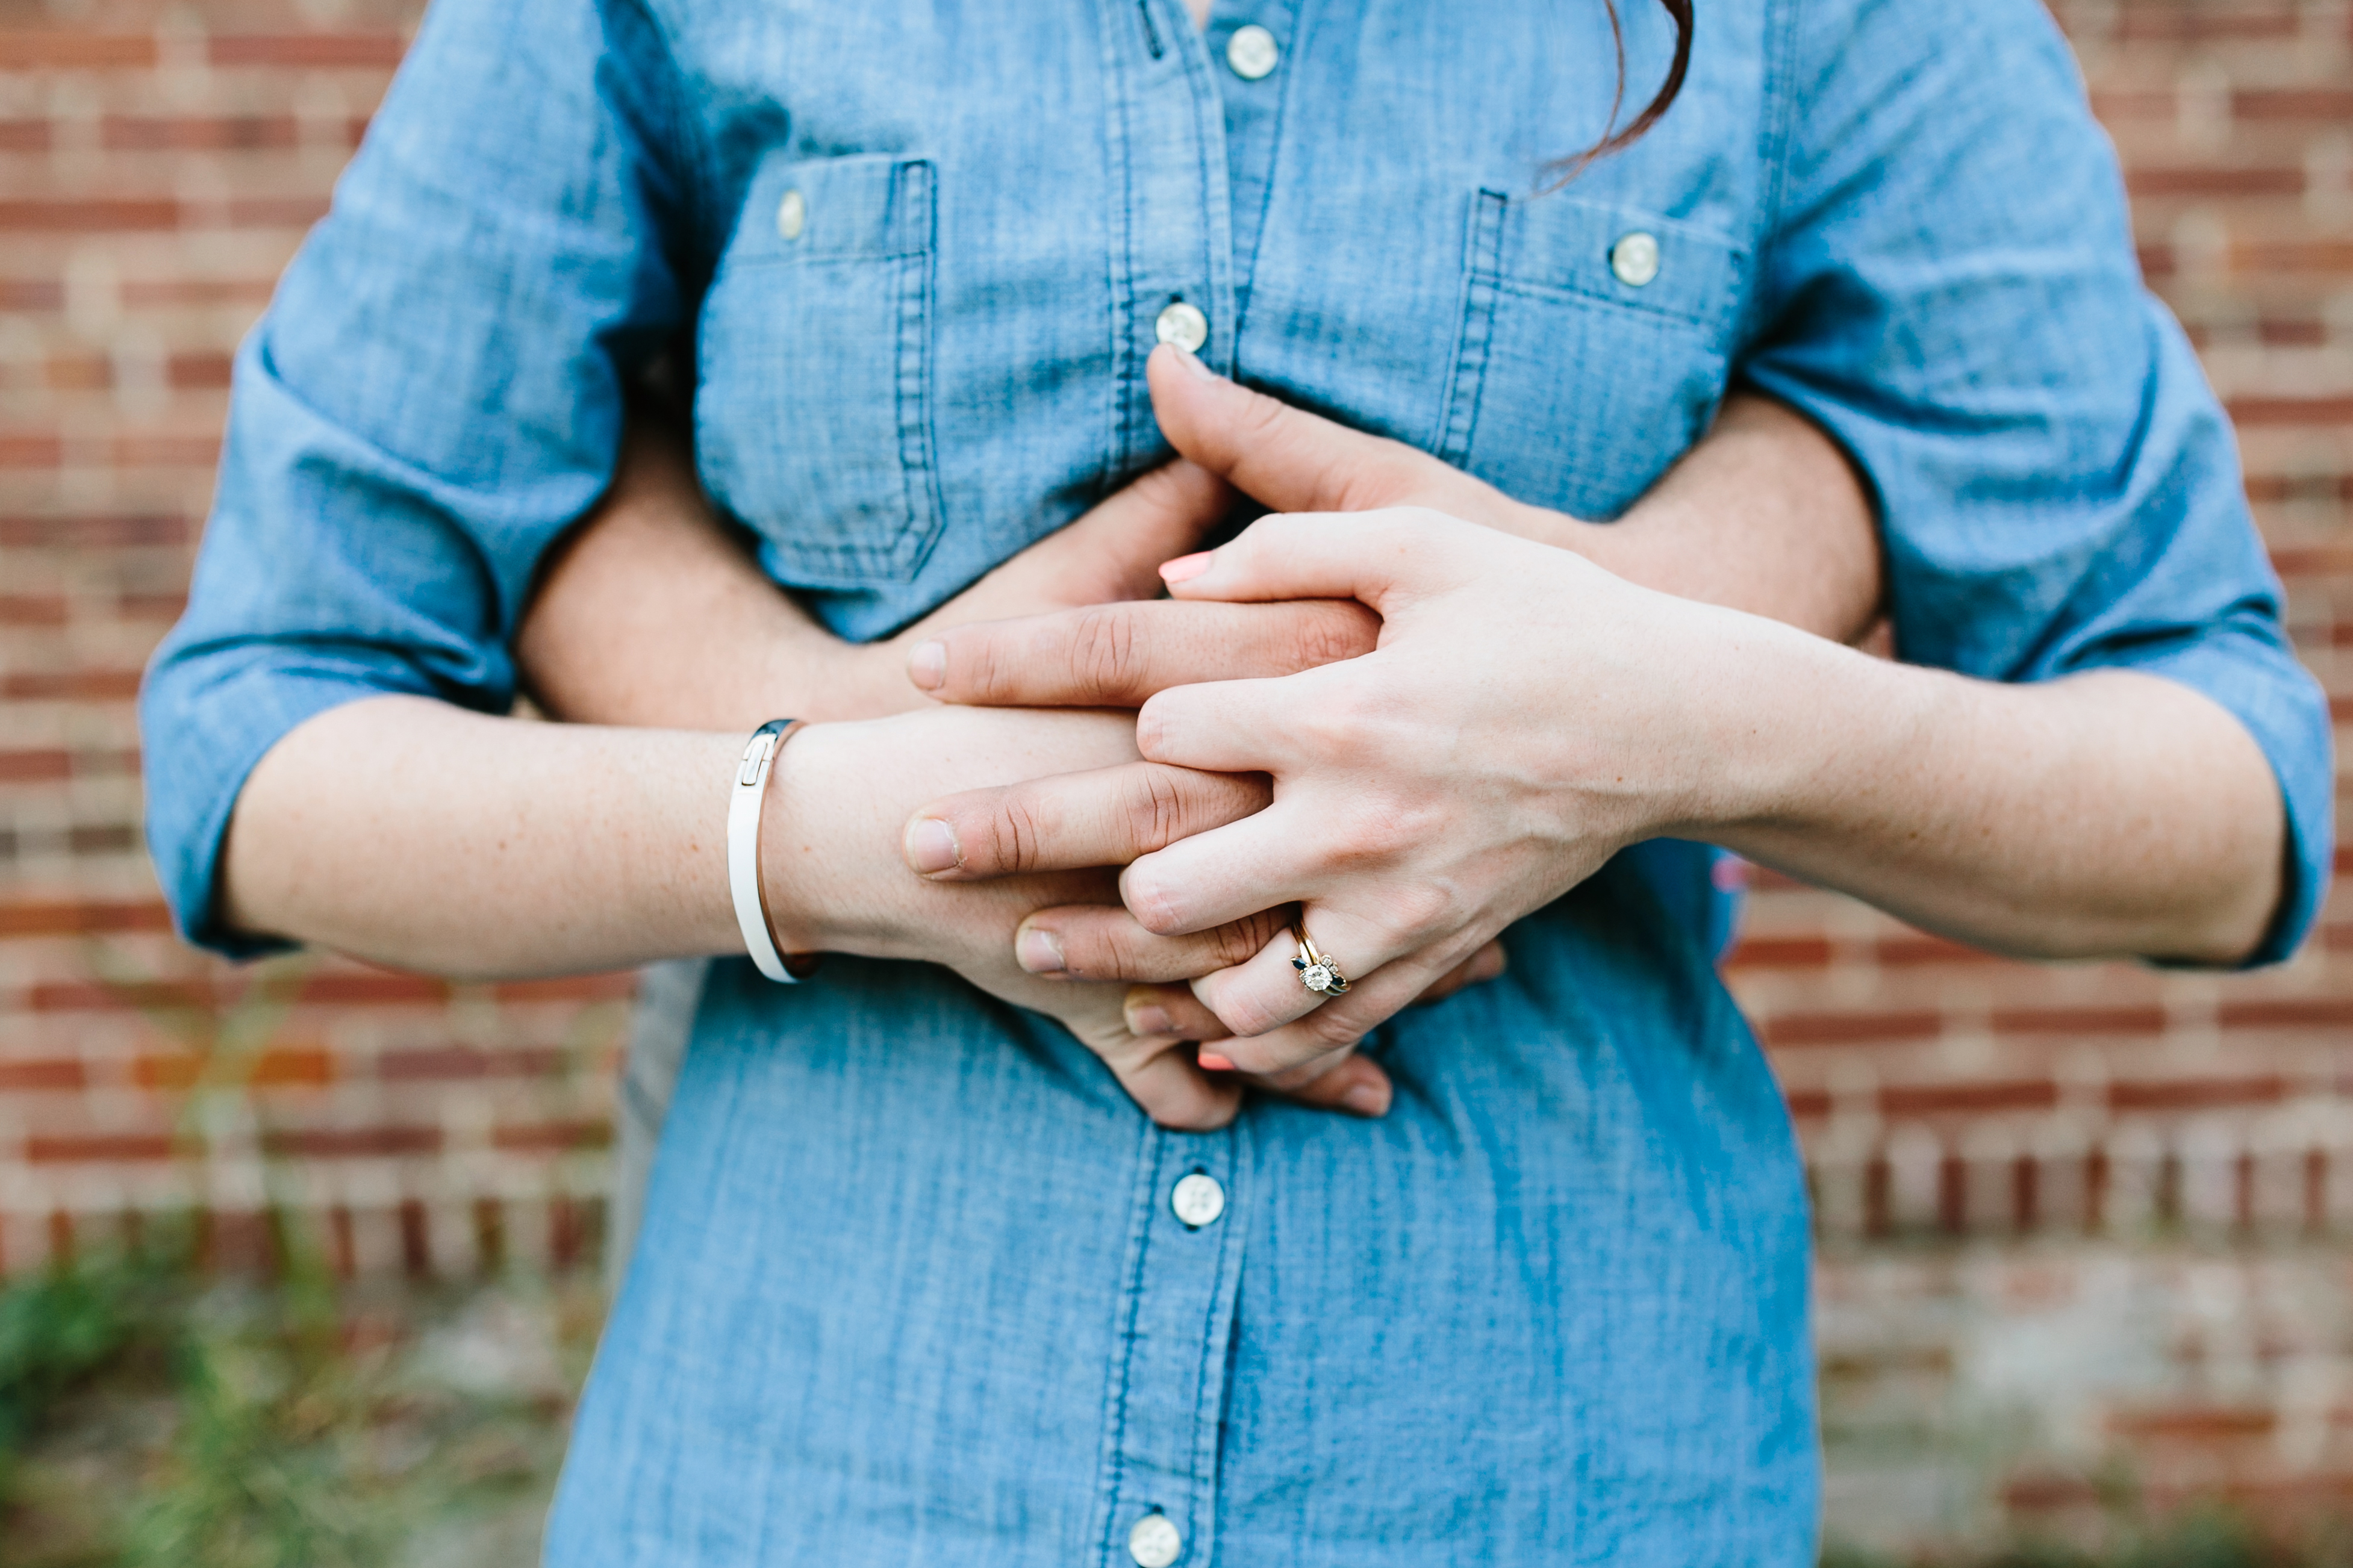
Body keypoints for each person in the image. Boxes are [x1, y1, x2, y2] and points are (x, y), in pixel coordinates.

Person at [139, 0, 2331, 1559]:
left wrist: (1669, 719)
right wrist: (862, 827)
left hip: (1545, 1474)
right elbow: (261, 746)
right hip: (820, 1464)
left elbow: (2229, 806)